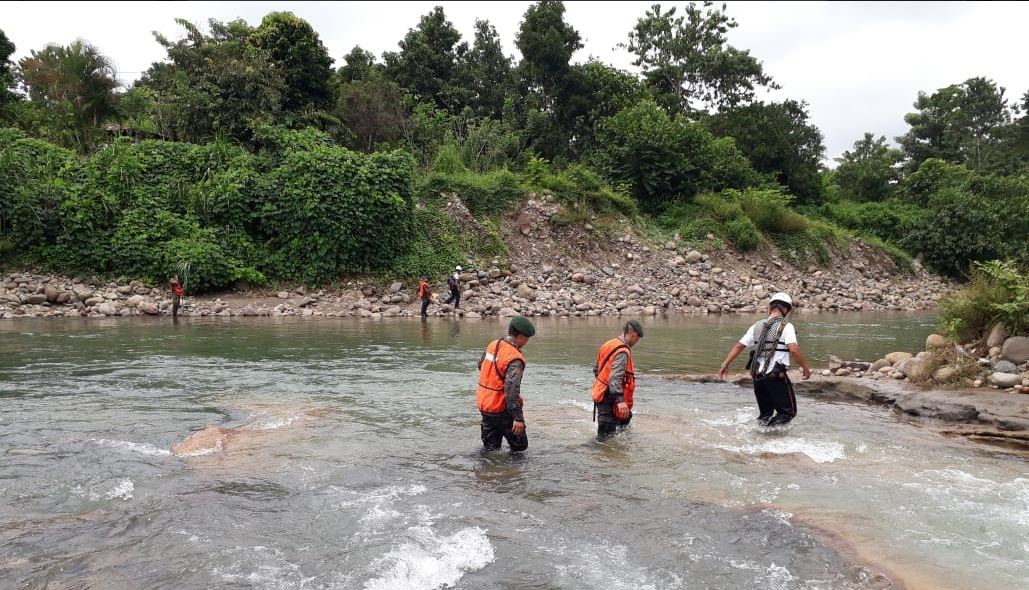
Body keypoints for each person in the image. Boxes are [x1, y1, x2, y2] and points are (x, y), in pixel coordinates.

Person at [718, 292, 811, 426]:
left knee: (765, 414)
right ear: (786, 310)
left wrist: (725, 365)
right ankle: (770, 435)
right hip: (775, 375)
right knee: (787, 413)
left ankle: (758, 435)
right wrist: (805, 367)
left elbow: (739, 346)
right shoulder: (786, 326)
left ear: (770, 307)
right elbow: (794, 349)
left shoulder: (756, 326)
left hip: (758, 375)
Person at [476, 316, 535, 452]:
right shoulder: (515, 358)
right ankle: (512, 467)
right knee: (520, 448)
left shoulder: (493, 344)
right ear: (520, 336)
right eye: (527, 338)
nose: (526, 342)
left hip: (484, 404)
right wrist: (518, 418)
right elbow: (511, 391)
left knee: (491, 449)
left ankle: (490, 466)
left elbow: (480, 365)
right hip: (501, 408)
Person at [591, 320, 643, 439]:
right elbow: (615, 377)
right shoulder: (623, 351)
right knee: (605, 438)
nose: (637, 341)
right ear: (633, 334)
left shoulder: (609, 343)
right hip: (609, 397)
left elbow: (596, 369)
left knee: (623, 425)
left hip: (601, 392)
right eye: (638, 338)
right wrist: (620, 401)